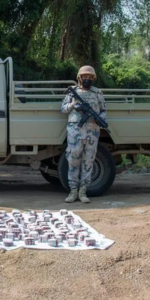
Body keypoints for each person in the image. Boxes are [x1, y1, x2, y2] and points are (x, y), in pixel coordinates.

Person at [60, 65, 107, 203]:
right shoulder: (72, 93)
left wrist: (101, 119)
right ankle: (73, 191)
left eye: (89, 77)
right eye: (84, 77)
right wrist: (72, 105)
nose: (87, 79)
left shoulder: (97, 93)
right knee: (73, 160)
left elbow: (104, 110)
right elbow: (62, 109)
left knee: (89, 161)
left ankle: (83, 192)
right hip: (75, 132)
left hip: (92, 131)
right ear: (80, 78)